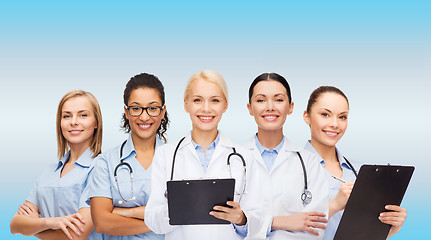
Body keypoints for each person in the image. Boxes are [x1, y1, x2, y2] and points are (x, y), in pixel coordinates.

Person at [145, 70, 263, 240]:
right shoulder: (165, 155)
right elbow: (152, 220)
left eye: (214, 100)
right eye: (197, 100)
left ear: (225, 105)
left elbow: (258, 220)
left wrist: (241, 218)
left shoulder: (244, 157)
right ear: (186, 105)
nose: (206, 108)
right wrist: (177, 209)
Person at [303, 86, 407, 240]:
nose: (335, 124)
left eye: (342, 117)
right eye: (325, 114)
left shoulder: (361, 172)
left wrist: (390, 228)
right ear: (307, 117)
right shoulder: (290, 167)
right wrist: (334, 205)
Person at [243, 73, 329, 239]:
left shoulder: (309, 162)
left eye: (279, 100)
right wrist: (279, 222)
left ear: (290, 107)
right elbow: (227, 228)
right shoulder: (233, 160)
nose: (270, 107)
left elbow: (316, 228)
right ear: (250, 108)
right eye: (261, 100)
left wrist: (255, 225)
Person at [10, 89, 103, 240]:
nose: (73, 121)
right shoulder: (48, 173)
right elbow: (15, 225)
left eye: (83, 115)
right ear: (60, 123)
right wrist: (51, 222)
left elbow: (77, 233)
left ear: (96, 123)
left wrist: (33, 226)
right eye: (67, 116)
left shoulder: (100, 169)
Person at [87, 73, 168, 240]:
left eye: (152, 108)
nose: (144, 117)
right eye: (136, 108)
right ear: (126, 111)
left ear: (162, 111)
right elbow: (102, 222)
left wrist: (124, 212)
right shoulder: (106, 163)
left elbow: (184, 214)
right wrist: (158, 222)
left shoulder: (177, 159)